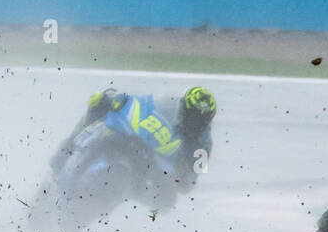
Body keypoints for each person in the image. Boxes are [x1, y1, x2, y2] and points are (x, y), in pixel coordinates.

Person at [49, 85, 217, 201]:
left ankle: (130, 195)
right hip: (135, 141)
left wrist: (174, 174)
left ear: (208, 120)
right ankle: (68, 148)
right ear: (182, 106)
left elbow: (187, 185)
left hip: (159, 166)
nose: (194, 122)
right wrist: (118, 102)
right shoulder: (168, 104)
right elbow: (144, 102)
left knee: (167, 200)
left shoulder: (203, 146)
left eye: (200, 119)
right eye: (191, 115)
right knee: (99, 101)